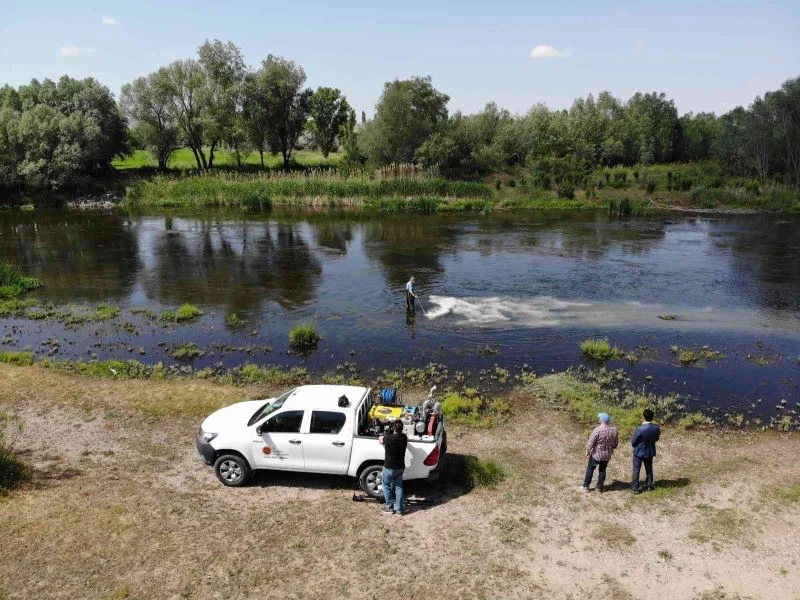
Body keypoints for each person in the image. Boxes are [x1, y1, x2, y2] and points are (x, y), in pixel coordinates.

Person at [581, 412, 619, 493]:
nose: (598, 419)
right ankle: (599, 488)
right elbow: (615, 444)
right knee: (602, 470)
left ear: (602, 420)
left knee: (590, 469)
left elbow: (591, 442)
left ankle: (586, 487)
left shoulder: (597, 430)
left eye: (599, 418)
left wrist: (587, 450)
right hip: (607, 455)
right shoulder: (614, 431)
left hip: (596, 454)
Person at [379, 420, 408, 515]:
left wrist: (385, 434)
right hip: (400, 467)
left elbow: (380, 440)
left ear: (393, 428)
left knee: (386, 486)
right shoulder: (404, 438)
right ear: (402, 429)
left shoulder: (388, 438)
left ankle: (390, 508)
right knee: (399, 487)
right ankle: (399, 510)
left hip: (389, 467)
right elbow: (399, 435)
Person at [631, 408, 661, 494]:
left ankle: (635, 488)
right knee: (649, 469)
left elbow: (633, 442)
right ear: (652, 417)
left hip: (639, 452)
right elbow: (656, 438)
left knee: (636, 470)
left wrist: (636, 445)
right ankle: (649, 485)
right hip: (650, 451)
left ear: (643, 417)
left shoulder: (640, 429)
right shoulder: (656, 428)